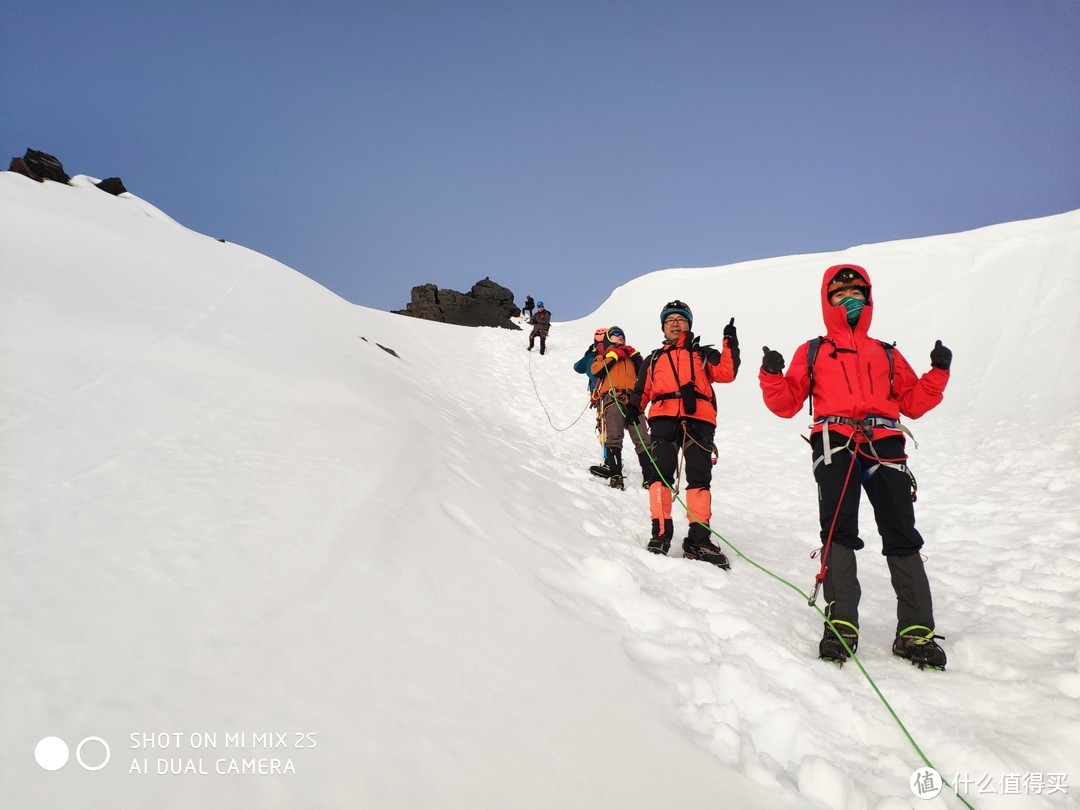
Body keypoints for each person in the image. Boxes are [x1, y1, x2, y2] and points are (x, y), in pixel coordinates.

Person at [758, 264, 952, 669]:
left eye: (858, 292)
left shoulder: (885, 351)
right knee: (839, 528)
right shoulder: (812, 351)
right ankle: (842, 621)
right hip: (835, 440)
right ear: (827, 300)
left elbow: (913, 402)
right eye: (840, 293)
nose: (850, 299)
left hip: (884, 442)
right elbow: (786, 404)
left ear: (869, 298)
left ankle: (916, 629)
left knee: (901, 530)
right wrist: (772, 376)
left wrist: (937, 373)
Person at [624, 301, 740, 568]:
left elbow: (727, 373)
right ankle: (661, 534)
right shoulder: (653, 359)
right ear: (663, 327)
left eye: (681, 319)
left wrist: (729, 344)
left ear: (689, 324)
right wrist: (634, 407)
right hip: (664, 416)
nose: (675, 323)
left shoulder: (702, 354)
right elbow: (643, 390)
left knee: (699, 477)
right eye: (670, 320)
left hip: (699, 418)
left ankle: (699, 539)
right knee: (660, 475)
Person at [588, 326, 654, 491]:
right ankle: (616, 475)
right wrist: (612, 356)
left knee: (643, 439)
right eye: (615, 334)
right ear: (609, 338)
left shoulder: (632, 356)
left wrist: (636, 356)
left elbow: (646, 374)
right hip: (612, 398)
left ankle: (649, 477)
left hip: (633, 401)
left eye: (622, 335)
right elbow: (596, 371)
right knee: (614, 437)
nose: (620, 337)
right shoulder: (603, 356)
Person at [574, 328, 612, 469]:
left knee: (604, 427)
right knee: (610, 427)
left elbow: (577, 367)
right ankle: (611, 458)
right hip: (615, 395)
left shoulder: (592, 358)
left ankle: (609, 460)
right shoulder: (613, 356)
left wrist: (589, 355)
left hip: (599, 396)